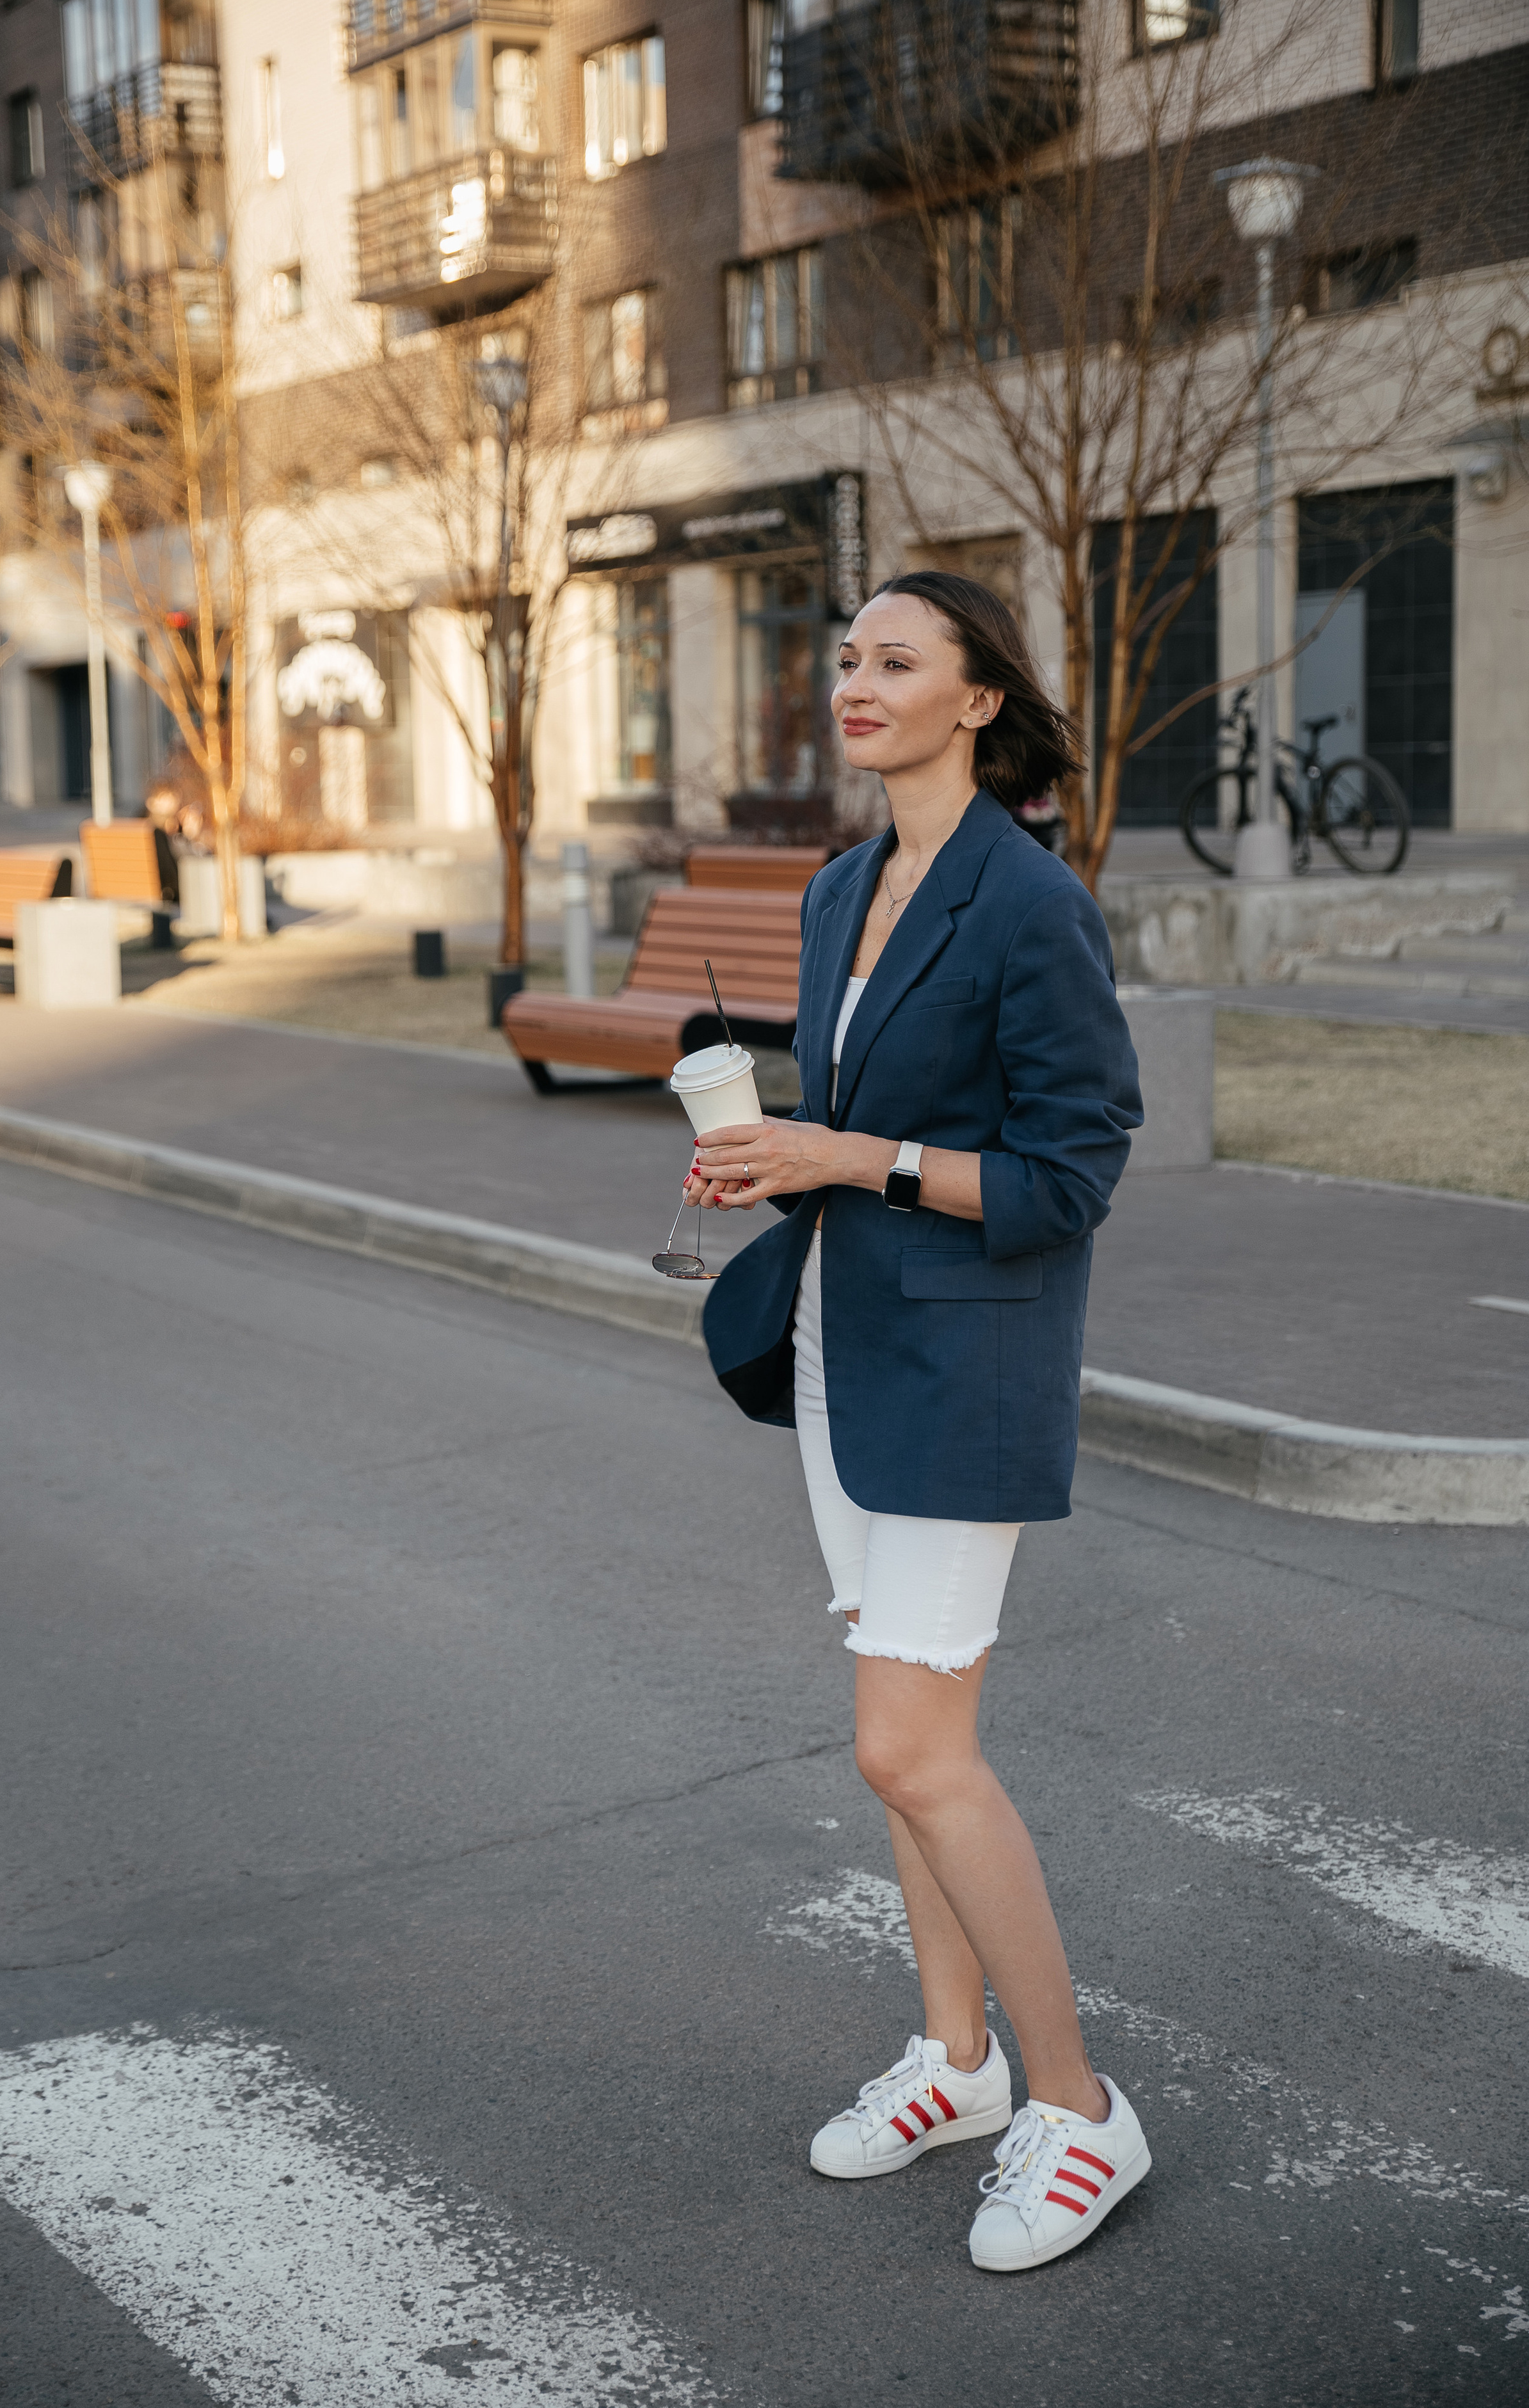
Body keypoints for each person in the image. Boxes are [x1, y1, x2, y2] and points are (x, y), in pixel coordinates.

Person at [684, 571, 1147, 2274]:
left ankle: (1080, 2107)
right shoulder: (840, 889)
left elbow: (1071, 1173)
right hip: (842, 1345)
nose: (858, 682)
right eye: (847, 657)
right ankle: (954, 2068)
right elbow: (858, 1117)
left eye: (900, 661)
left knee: (911, 1750)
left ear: (977, 702)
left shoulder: (1032, 904)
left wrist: (845, 1155)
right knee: (901, 1734)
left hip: (970, 1366)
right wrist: (776, 1149)